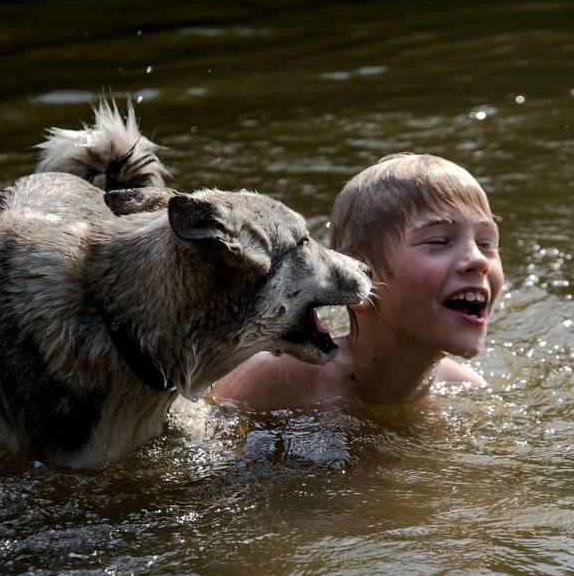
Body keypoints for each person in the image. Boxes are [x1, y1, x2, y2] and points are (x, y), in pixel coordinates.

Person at [207, 153, 503, 408]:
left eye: (487, 243)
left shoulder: (465, 389)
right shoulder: (278, 381)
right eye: (438, 241)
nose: (478, 260)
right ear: (358, 281)